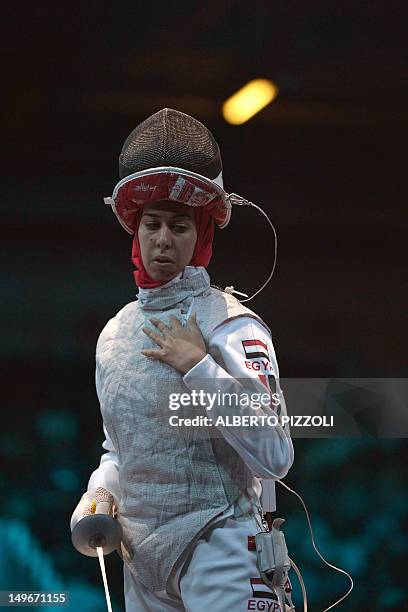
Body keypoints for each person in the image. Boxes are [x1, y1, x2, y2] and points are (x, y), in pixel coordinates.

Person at [71, 108, 295, 611]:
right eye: (152, 224)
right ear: (136, 231)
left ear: (201, 237)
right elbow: (120, 450)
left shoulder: (230, 324)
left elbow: (276, 456)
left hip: (220, 546)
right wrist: (100, 492)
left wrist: (199, 364)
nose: (164, 239)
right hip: (141, 561)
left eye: (179, 226)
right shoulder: (115, 337)